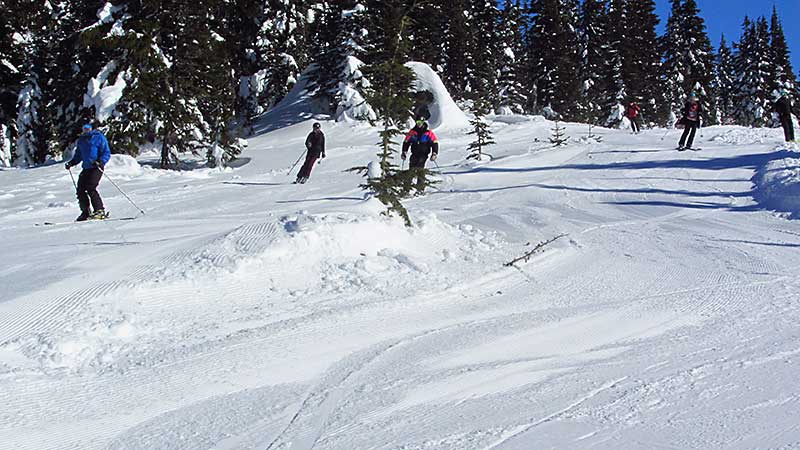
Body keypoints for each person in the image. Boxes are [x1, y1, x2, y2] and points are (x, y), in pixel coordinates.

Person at [65, 123, 111, 221]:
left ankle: (99, 210)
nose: (86, 130)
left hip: (97, 167)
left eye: (88, 128)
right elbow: (79, 155)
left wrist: (100, 161)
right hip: (86, 168)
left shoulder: (99, 137)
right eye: (84, 128)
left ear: (92, 128)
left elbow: (106, 152)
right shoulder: (82, 140)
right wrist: (71, 163)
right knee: (80, 189)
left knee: (91, 187)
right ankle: (85, 212)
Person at [401, 119, 439, 195]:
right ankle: (406, 189)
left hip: (423, 153)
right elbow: (406, 142)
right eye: (417, 122)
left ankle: (420, 189)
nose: (419, 124)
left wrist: (434, 153)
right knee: (411, 169)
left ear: (423, 123)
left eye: (420, 123)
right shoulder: (412, 132)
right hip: (414, 153)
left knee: (420, 169)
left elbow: (434, 143)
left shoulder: (428, 132)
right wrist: (404, 152)